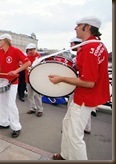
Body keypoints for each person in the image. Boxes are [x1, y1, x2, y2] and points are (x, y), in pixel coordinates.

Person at [49, 16, 110, 160]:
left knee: (75, 135)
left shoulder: (89, 49)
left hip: (85, 97)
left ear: (87, 27)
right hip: (87, 96)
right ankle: (65, 155)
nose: (75, 28)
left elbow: (88, 82)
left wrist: (61, 78)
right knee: (67, 124)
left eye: (78, 25)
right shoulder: (98, 45)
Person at [0, 33, 31, 138]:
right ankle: (4, 123)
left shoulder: (16, 51)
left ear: (5, 40)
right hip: (2, 81)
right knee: (2, 103)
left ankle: (16, 127)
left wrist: (15, 71)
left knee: (11, 104)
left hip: (13, 82)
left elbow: (27, 63)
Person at [26, 43, 44, 117]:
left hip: (36, 79)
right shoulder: (26, 57)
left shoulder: (39, 58)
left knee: (37, 95)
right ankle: (33, 108)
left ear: (34, 49)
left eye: (31, 49)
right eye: (28, 50)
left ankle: (40, 109)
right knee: (30, 95)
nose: (30, 51)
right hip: (28, 79)